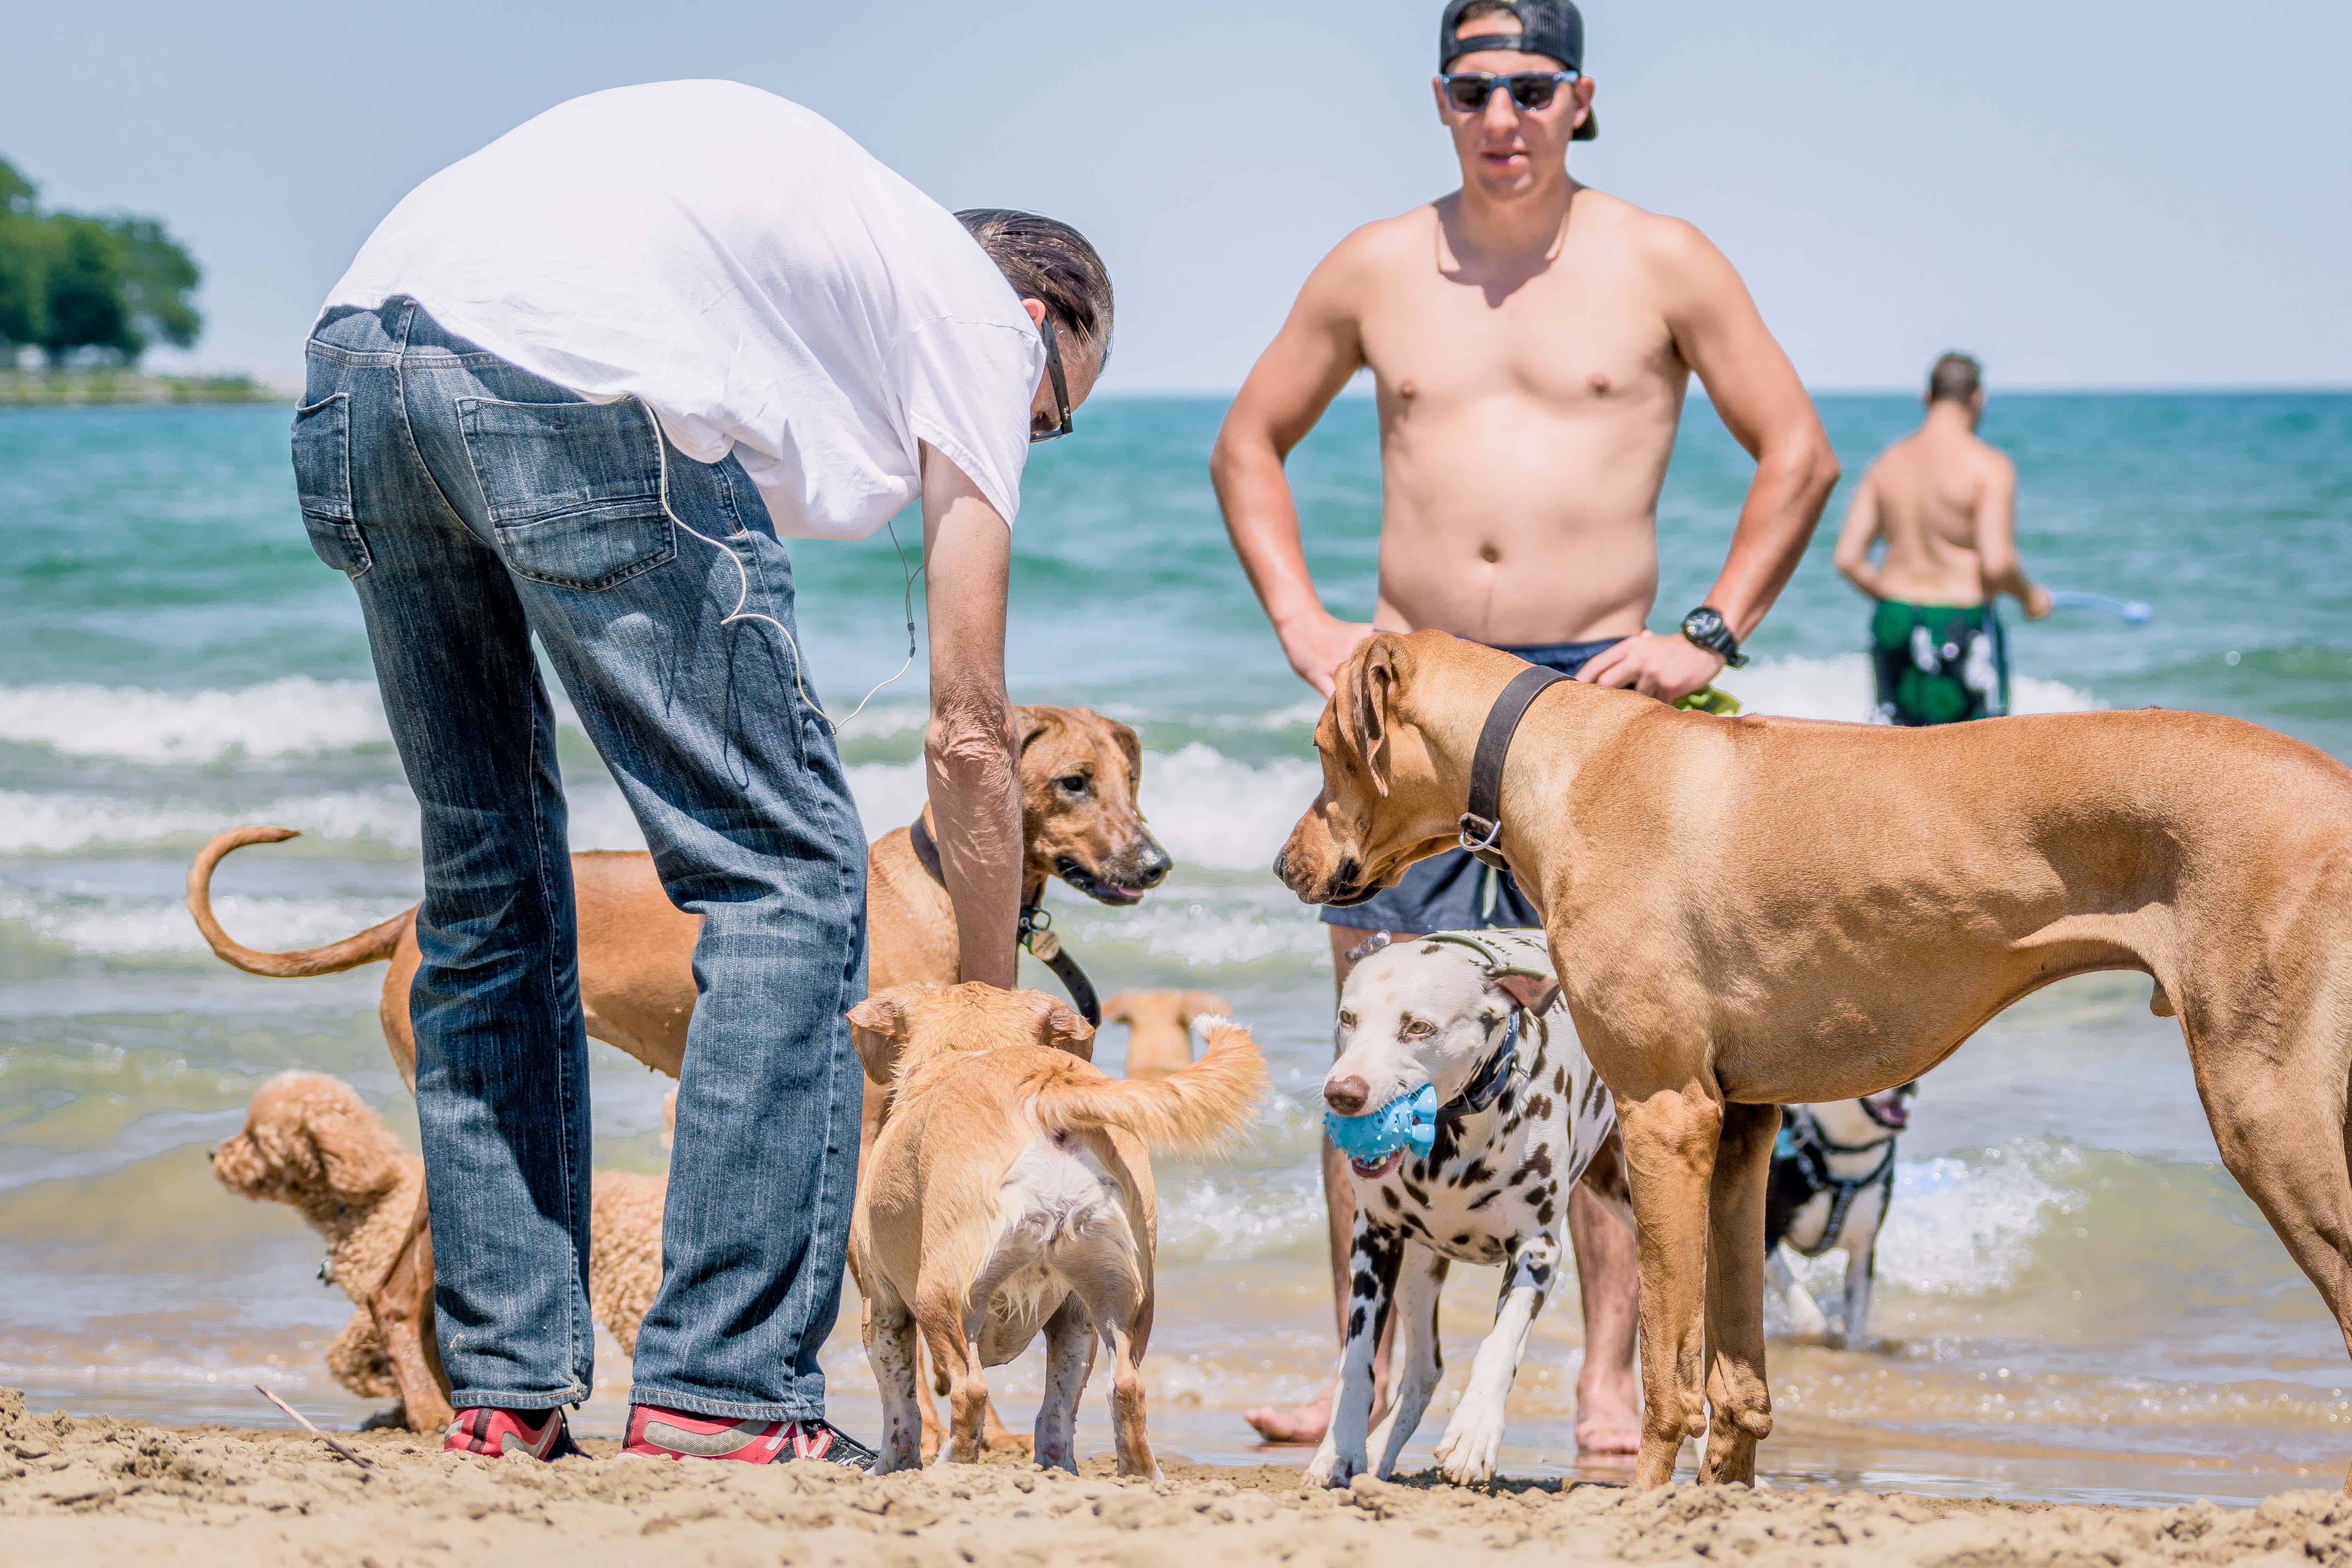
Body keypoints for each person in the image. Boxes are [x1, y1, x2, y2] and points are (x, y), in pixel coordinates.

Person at [295, 81, 1111, 1465]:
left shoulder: (842, 251)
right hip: (565, 377)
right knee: (789, 875)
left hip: (351, 380)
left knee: (492, 890)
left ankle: (506, 1390)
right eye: (1049, 419)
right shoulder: (980, 321)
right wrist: (981, 1004)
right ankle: (720, 1388)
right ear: (1038, 325)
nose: (1016, 445)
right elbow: (971, 731)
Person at [1211, 0, 1838, 1452]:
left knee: (1618, 1056)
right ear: (1441, 100)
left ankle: (1607, 1377)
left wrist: (1707, 634)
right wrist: (1306, 623)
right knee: (1376, 1037)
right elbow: (1249, 441)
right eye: (1473, 88)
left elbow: (1797, 453)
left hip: (1591, 705)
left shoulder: (1663, 260)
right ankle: (1369, 1373)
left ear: (1580, 97)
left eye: (1531, 87)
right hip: (1412, 707)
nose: (1502, 115)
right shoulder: (1376, 265)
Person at [1834, 353, 2050, 725]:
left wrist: (1892, 596)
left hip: (1895, 617)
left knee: (1897, 752)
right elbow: (1996, 564)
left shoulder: (1886, 463)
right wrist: (2030, 597)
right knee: (1979, 757)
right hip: (1960, 620)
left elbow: (1848, 558)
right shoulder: (1988, 466)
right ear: (1978, 398)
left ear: (1925, 397)